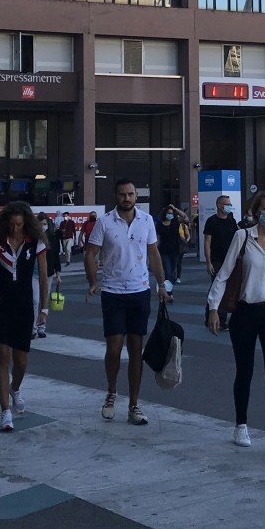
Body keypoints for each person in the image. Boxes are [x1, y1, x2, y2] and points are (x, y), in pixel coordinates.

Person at [206, 190, 265, 461]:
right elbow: (223, 274)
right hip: (245, 312)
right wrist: (214, 308)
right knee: (244, 371)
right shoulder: (243, 236)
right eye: (264, 208)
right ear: (256, 211)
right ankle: (241, 425)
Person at [85, 178, 169, 424]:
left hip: (139, 291)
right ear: (116, 196)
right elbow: (90, 255)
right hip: (112, 292)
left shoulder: (146, 221)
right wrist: (92, 282)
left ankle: (134, 404)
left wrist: (161, 285)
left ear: (136, 196)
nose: (127, 198)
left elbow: (153, 253)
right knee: (113, 348)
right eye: (123, 194)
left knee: (136, 350)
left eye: (131, 194)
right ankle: (111, 392)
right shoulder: (104, 222)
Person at [0, 202, 50, 431]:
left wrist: (44, 309)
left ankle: (15, 388)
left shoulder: (35, 243)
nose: (15, 229)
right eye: (12, 224)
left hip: (24, 305)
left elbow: (44, 278)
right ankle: (5, 411)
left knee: (21, 362)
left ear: (26, 223)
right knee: (1, 356)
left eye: (20, 224)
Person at [204, 195, 240, 330]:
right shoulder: (211, 221)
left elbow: (239, 236)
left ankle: (215, 316)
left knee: (227, 289)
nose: (230, 206)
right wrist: (209, 262)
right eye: (227, 204)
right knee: (217, 287)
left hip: (231, 260)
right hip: (217, 260)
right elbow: (207, 243)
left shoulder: (231, 220)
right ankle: (218, 319)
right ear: (219, 206)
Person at [156, 204, 190, 288]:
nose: (170, 215)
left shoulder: (175, 222)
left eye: (171, 213)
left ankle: (171, 283)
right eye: (168, 213)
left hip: (175, 250)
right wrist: (155, 250)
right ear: (165, 214)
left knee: (173, 271)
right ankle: (168, 290)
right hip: (164, 251)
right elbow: (158, 239)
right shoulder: (159, 225)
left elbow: (184, 216)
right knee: (167, 272)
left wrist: (175, 208)